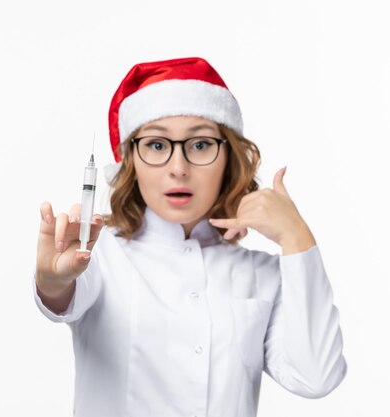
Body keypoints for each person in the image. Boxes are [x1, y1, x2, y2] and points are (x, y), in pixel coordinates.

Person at [33, 57, 347, 417]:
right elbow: (62, 293)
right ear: (130, 160)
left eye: (200, 145)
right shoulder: (99, 252)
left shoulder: (264, 274)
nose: (178, 168)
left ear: (228, 157)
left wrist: (297, 240)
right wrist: (52, 279)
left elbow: (317, 376)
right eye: (156, 145)